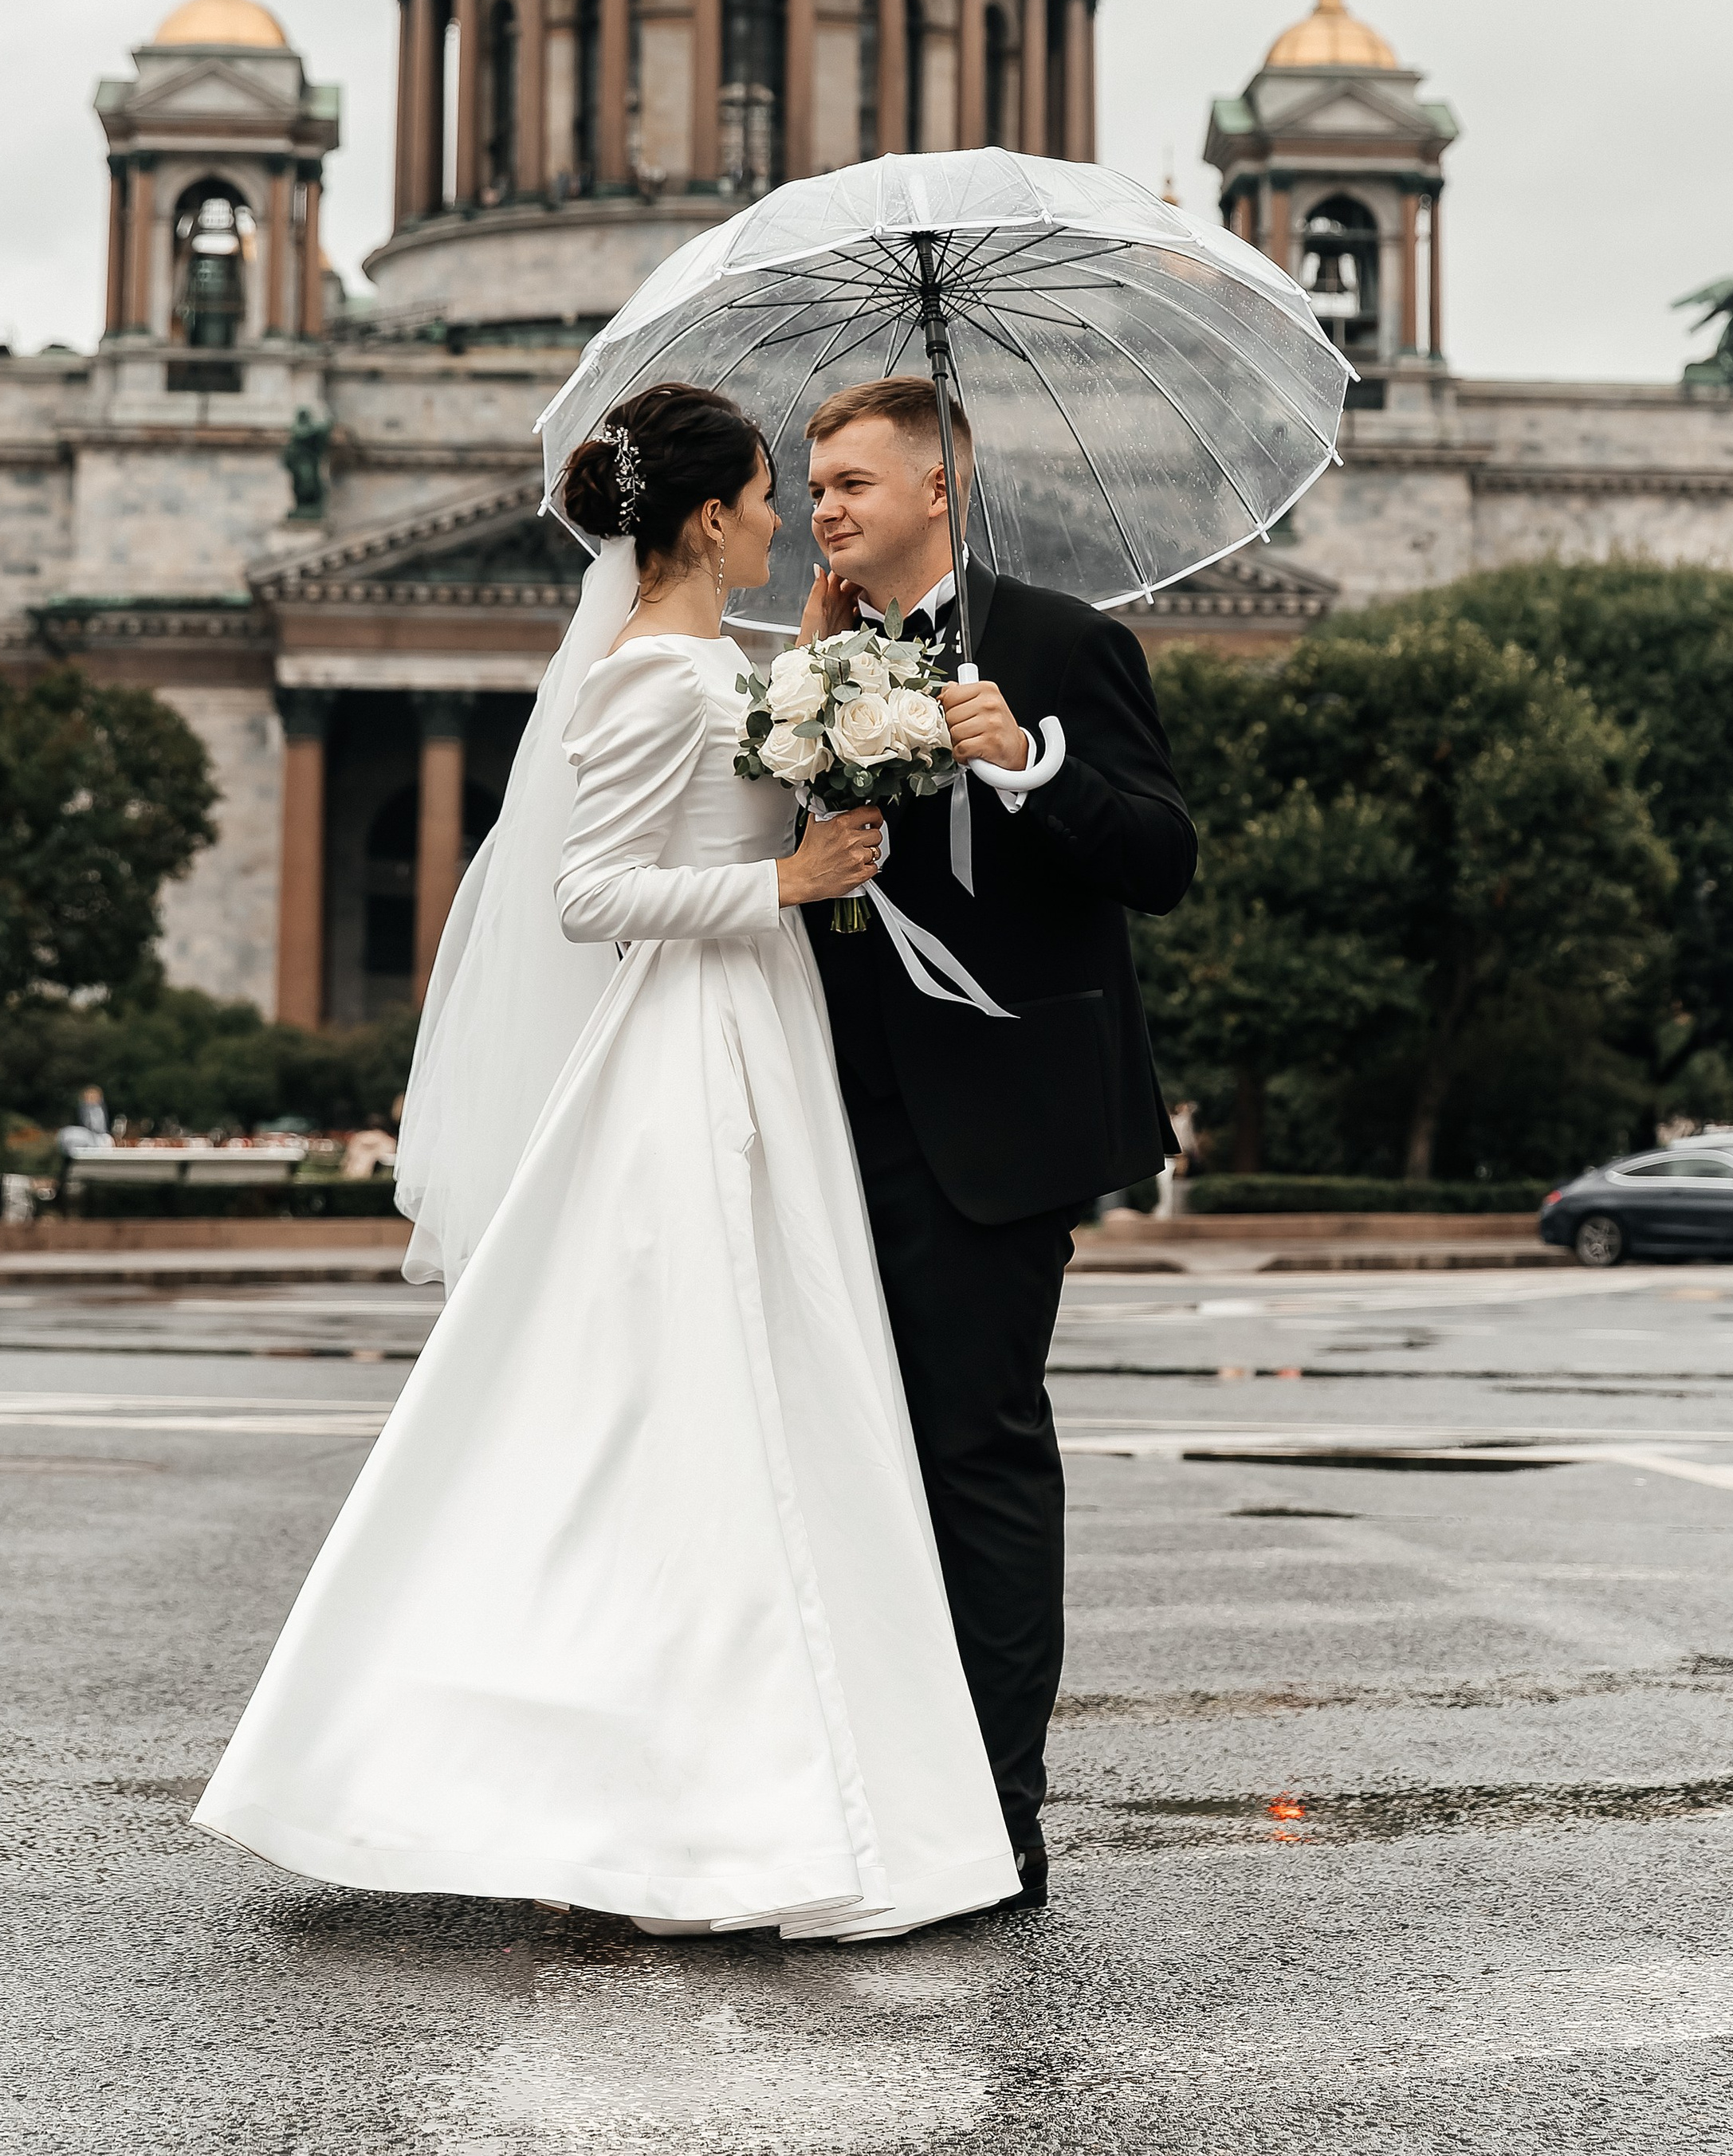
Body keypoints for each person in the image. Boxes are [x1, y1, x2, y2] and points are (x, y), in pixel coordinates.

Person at [193, 383, 1019, 1938]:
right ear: (707, 518)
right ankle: (699, 1809)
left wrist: (848, 695)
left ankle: (755, 1787)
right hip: (690, 1056)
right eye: (769, 494)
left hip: (748, 1043)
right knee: (705, 1411)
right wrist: (781, 884)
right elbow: (592, 893)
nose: (787, 520)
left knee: (750, 1404)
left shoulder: (718, 662)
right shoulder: (652, 677)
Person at [798, 378, 1197, 1909]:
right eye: (812, 484)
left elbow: (1160, 857)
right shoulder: (815, 659)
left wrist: (1030, 763)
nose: (823, 505)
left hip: (1001, 1123)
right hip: (832, 1106)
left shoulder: (1061, 642)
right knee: (853, 1462)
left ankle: (998, 1811)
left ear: (940, 484)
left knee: (978, 1453)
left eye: (850, 480)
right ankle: (869, 1780)